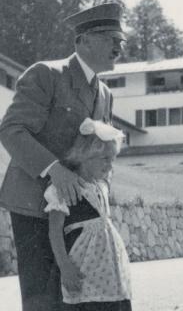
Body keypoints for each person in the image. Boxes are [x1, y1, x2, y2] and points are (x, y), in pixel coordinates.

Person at [0, 3, 126, 311]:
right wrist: (54, 169)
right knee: (43, 297)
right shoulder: (46, 75)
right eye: (111, 38)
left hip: (81, 214)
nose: (119, 47)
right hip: (35, 205)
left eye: (121, 41)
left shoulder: (105, 93)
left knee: (79, 297)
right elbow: (12, 129)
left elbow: (100, 151)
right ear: (84, 40)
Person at [45, 118, 131, 311]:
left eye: (113, 159)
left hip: (109, 271)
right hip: (84, 267)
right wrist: (65, 267)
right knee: (87, 302)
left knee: (113, 301)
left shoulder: (100, 186)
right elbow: (55, 231)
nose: (110, 166)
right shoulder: (66, 189)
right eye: (105, 159)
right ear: (85, 155)